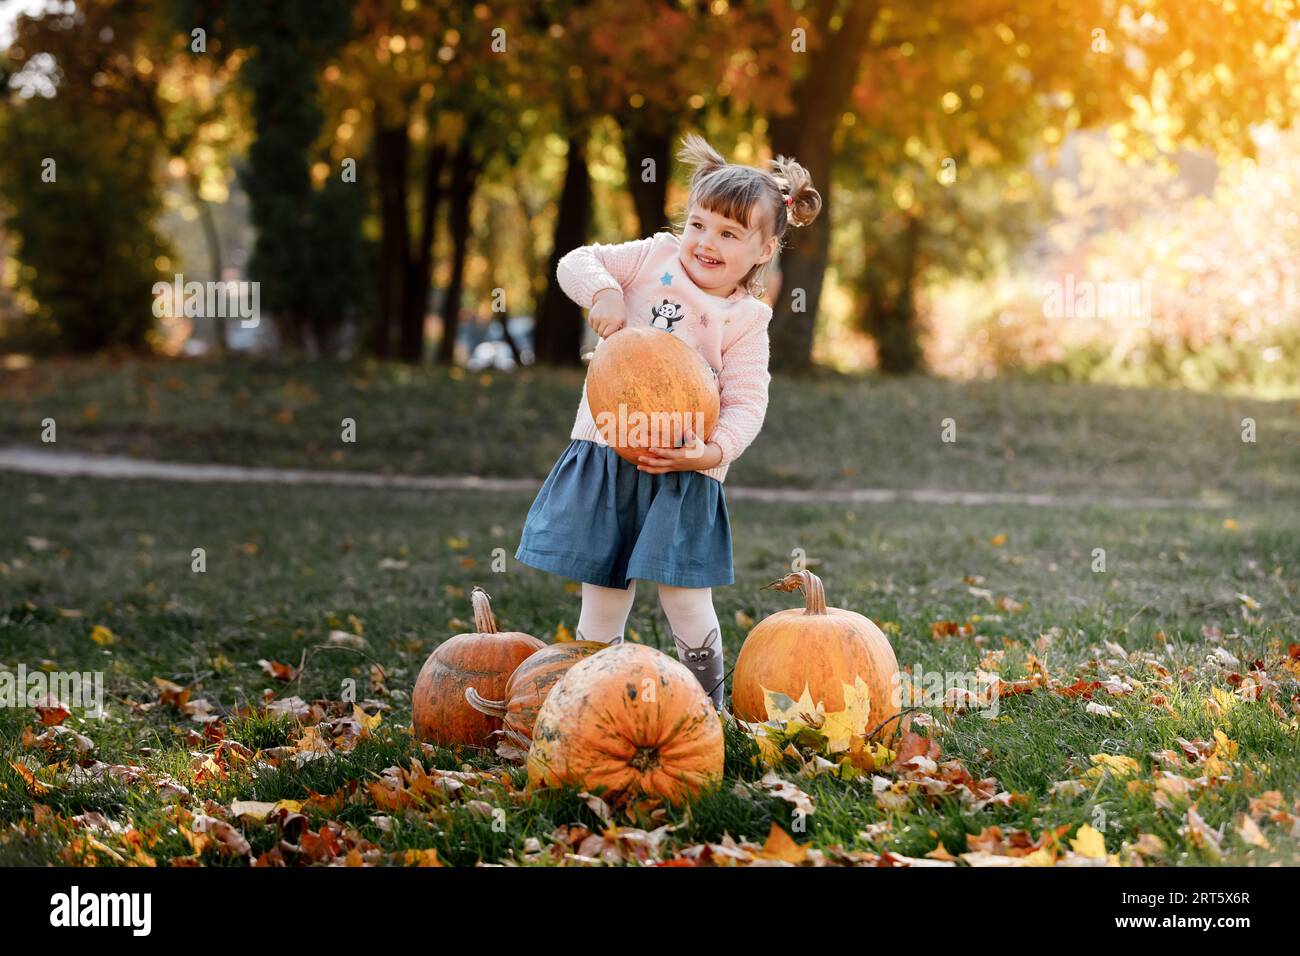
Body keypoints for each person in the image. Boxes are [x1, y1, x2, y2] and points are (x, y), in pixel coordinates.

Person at [514, 133, 822, 709]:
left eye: (729, 234)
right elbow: (575, 261)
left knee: (686, 596)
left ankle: (708, 710)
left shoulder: (746, 318)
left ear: (763, 250)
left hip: (684, 469)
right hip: (608, 453)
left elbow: (748, 400)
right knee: (604, 594)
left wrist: (713, 452)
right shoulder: (652, 257)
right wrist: (604, 293)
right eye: (699, 224)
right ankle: (594, 703)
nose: (706, 242)